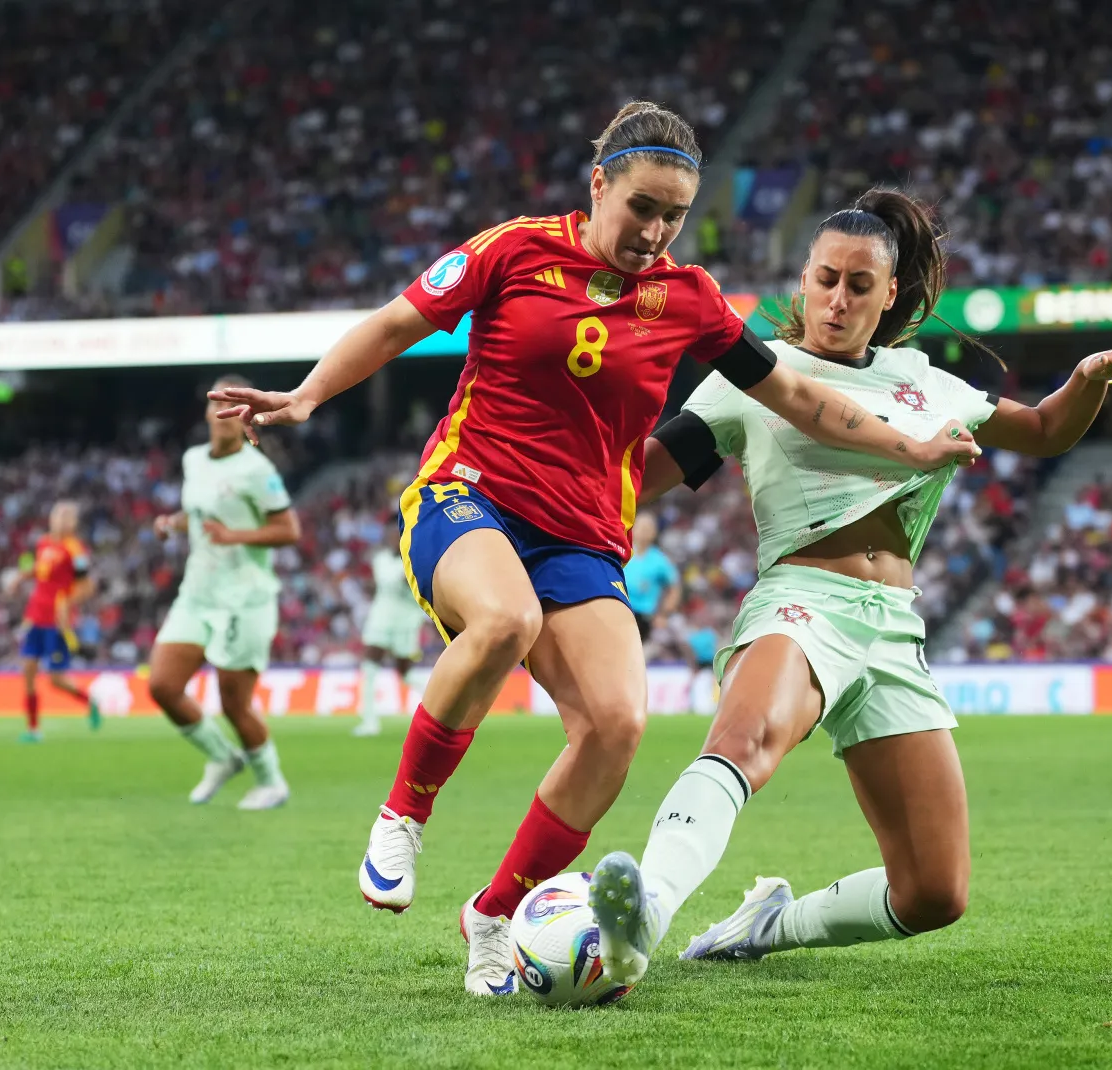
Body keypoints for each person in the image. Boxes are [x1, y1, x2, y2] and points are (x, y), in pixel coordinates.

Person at [208, 103, 975, 996]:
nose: (654, 232)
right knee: (502, 619)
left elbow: (803, 401)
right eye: (641, 206)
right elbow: (394, 324)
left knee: (616, 727)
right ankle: (403, 815)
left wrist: (910, 446)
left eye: (673, 217)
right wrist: (307, 397)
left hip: (583, 536)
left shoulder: (690, 300)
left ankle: (492, 915)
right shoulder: (512, 251)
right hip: (470, 497)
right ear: (599, 183)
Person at [584, 188, 1112, 986]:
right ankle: (645, 909)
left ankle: (765, 924)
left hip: (894, 627)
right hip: (802, 601)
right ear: (803, 279)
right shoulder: (757, 373)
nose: (838, 299)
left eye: (860, 286)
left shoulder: (923, 383)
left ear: (890, 295)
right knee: (745, 743)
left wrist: (1092, 375)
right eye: (826, 278)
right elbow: (638, 477)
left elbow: (1041, 431)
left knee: (934, 891)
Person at [147, 375, 302, 811]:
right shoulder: (194, 460)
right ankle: (222, 757)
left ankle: (271, 782)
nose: (224, 416)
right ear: (206, 414)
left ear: (246, 417)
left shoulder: (257, 470)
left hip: (244, 599)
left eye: (235, 408)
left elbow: (289, 530)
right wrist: (172, 523)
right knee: (162, 685)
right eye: (217, 406)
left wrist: (234, 535)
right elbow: (198, 513)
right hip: (197, 592)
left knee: (235, 703)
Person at [9, 500, 100, 742]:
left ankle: (90, 702)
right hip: (35, 615)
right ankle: (33, 729)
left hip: (57, 621)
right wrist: (20, 578)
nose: (60, 520)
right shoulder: (43, 543)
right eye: (56, 515)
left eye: (66, 516)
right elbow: (41, 568)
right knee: (28, 670)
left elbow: (88, 585)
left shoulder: (76, 550)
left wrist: (67, 603)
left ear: (74, 522)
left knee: (56, 679)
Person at [354, 539, 431, 737]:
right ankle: (369, 721)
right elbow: (378, 585)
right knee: (369, 668)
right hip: (380, 618)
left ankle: (440, 705)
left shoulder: (415, 557)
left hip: (407, 622)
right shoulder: (380, 559)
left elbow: (416, 584)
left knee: (405, 673)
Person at [622, 512, 680, 641]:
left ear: (654, 533)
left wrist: (664, 614)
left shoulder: (660, 561)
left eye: (648, 528)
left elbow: (674, 588)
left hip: (643, 617)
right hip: (620, 611)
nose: (644, 531)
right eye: (641, 527)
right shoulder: (623, 553)